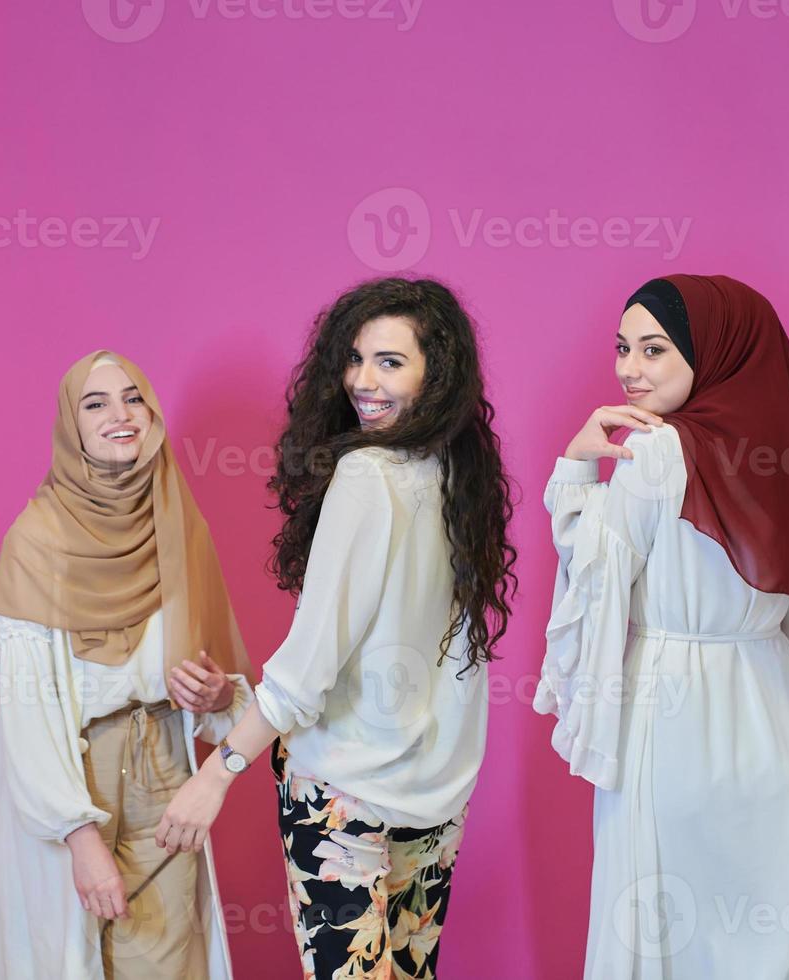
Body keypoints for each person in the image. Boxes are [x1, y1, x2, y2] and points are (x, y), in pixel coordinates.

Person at [154, 277, 518, 979]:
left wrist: (219, 770)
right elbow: (389, 658)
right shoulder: (459, 474)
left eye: (390, 361)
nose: (362, 381)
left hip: (344, 798)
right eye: (355, 359)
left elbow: (310, 673)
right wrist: (234, 697)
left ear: (435, 373)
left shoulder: (366, 474)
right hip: (435, 794)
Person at [535, 275, 789, 978]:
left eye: (654, 349)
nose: (630, 369)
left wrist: (575, 465)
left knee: (664, 927)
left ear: (709, 353)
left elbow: (597, 578)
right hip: (773, 719)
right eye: (624, 348)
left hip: (671, 716)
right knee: (780, 921)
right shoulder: (785, 459)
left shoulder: (655, 453)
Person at [0, 350, 255, 979]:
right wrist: (77, 834)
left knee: (166, 960)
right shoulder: (37, 540)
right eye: (95, 404)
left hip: (167, 771)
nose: (120, 415)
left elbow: (228, 697)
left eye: (133, 398)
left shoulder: (178, 527)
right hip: (74, 775)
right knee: (71, 960)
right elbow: (27, 709)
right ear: (72, 425)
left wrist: (211, 697)